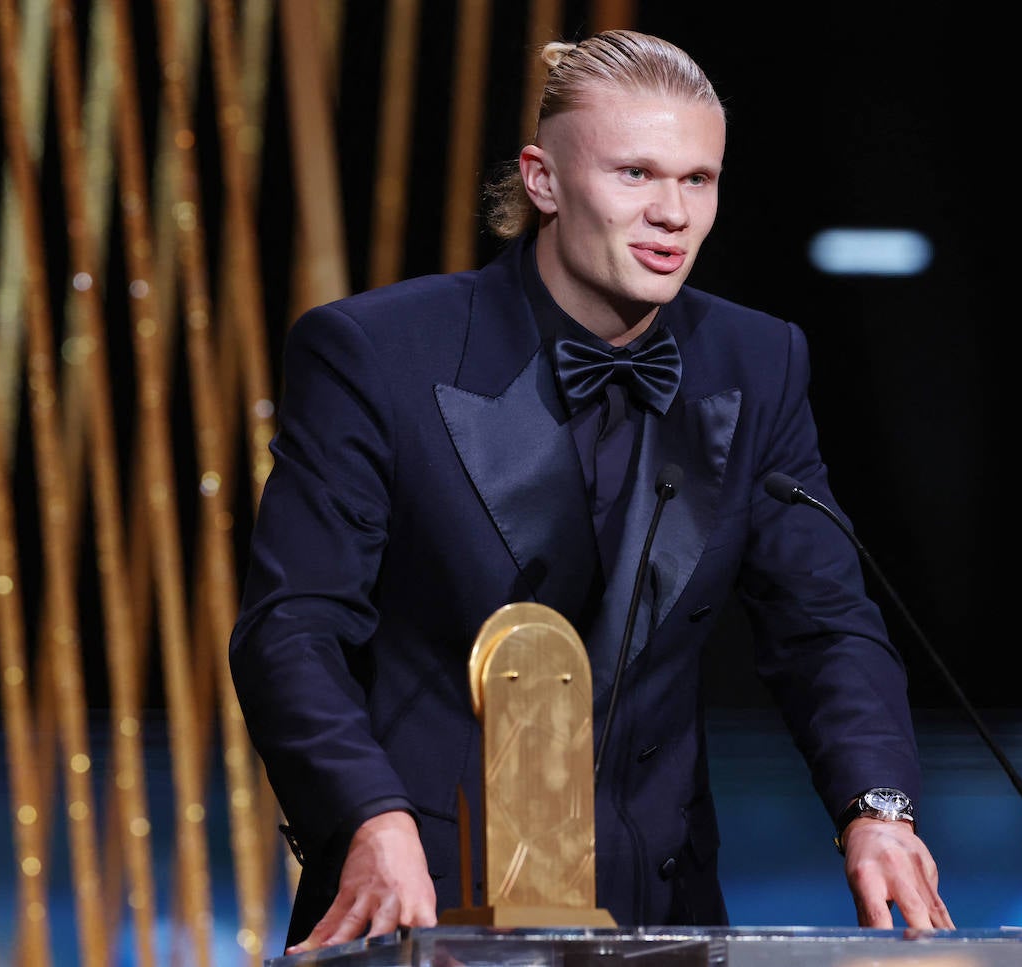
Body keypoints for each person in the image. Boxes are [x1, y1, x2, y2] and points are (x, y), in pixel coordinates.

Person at [229, 27, 954, 955]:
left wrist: (877, 807)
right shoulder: (378, 354)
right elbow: (292, 627)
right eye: (635, 175)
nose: (673, 213)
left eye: (699, 180)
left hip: (667, 913)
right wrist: (367, 818)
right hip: (428, 904)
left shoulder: (757, 360)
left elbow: (825, 622)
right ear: (542, 180)